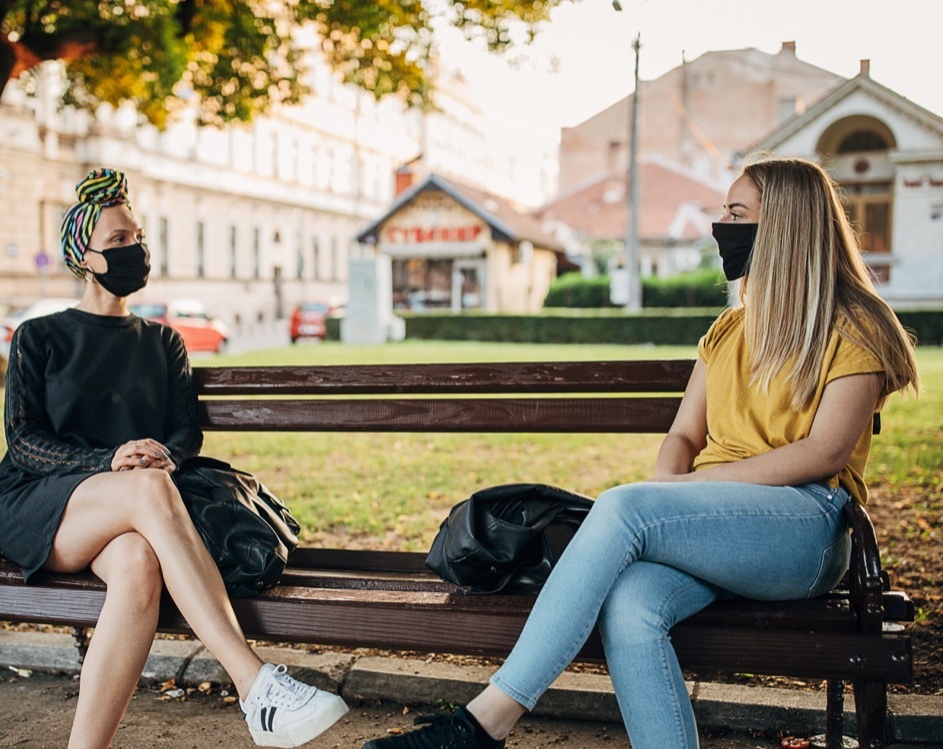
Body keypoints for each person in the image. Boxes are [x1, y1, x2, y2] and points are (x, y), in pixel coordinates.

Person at [363, 155, 920, 749]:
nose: (721, 227)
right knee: (630, 605)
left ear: (785, 225)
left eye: (736, 214)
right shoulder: (729, 331)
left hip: (804, 530)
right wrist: (672, 491)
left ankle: (483, 724)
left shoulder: (856, 324)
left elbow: (823, 453)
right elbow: (683, 436)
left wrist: (680, 496)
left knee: (625, 508)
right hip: (715, 529)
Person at [0, 168, 348, 749]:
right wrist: (113, 459)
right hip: (45, 504)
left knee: (137, 564)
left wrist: (158, 456)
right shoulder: (39, 336)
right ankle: (254, 684)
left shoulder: (163, 342)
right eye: (119, 241)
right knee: (151, 489)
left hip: (131, 514)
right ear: (83, 255)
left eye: (139, 236)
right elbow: (23, 439)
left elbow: (184, 433)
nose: (136, 249)